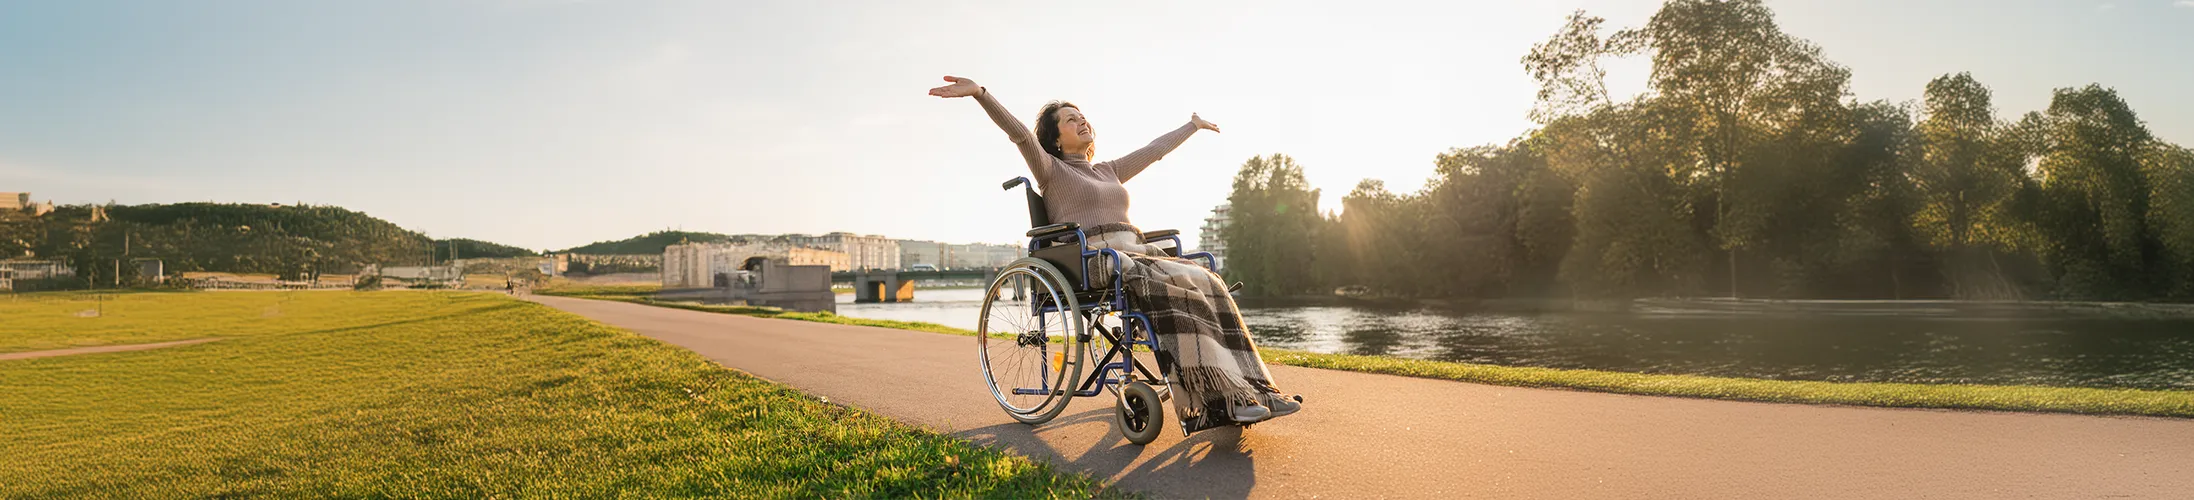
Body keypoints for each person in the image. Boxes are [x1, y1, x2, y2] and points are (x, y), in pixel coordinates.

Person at [929, 75, 1300, 428]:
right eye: (1071, 120)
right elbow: (1020, 134)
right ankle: (1222, 399)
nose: (1081, 122)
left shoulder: (1108, 170)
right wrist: (980, 93)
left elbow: (1154, 151)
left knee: (1207, 280)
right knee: (1172, 284)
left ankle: (1257, 391)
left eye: (1083, 117)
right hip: (1096, 258)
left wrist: (1192, 125)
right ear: (1056, 139)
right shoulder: (1050, 170)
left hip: (1136, 250)